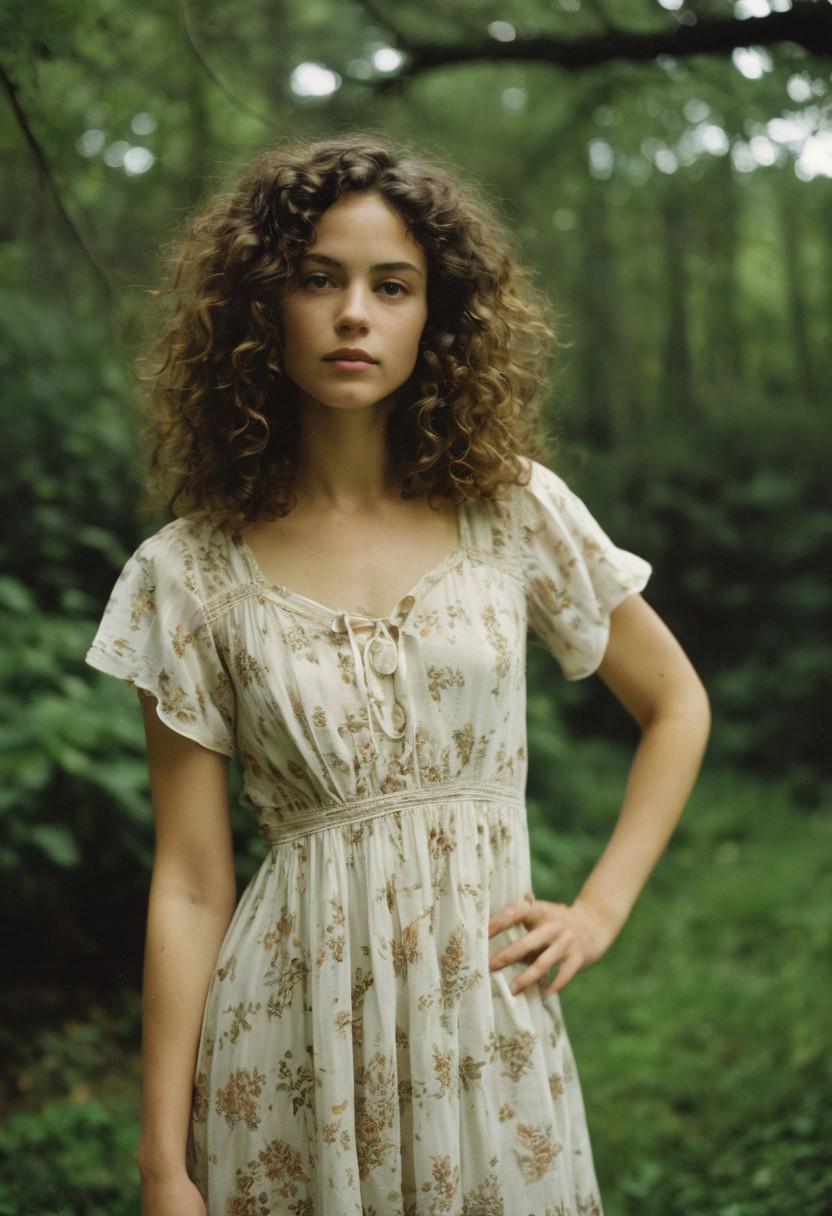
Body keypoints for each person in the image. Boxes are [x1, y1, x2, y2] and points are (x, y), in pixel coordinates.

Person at [85, 131, 711, 1216]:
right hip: (285, 1048)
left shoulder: (510, 508)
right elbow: (189, 880)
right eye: (316, 279)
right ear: (258, 308)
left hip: (487, 1035)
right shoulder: (185, 575)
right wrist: (161, 1164)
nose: (354, 314)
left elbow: (675, 703)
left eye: (393, 284)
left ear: (439, 312)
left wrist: (600, 910)